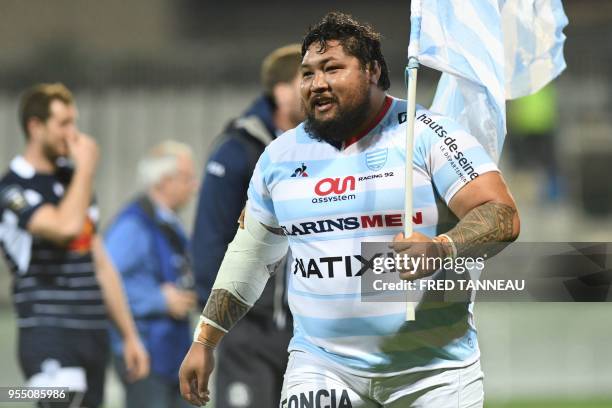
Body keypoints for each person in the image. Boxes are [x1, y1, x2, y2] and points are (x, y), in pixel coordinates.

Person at [180, 12, 520, 408]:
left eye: (332, 68)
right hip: (322, 366)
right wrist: (205, 340)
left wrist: (442, 247)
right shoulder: (279, 156)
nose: (317, 83)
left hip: (434, 375)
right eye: (307, 74)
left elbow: (501, 214)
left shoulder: (426, 133)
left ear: (372, 71)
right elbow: (250, 257)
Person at [0, 83, 149, 408]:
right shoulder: (11, 188)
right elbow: (64, 228)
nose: (73, 133)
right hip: (47, 333)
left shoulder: (73, 182)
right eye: (63, 123)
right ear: (35, 127)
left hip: (93, 334)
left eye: (74, 123)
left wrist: (129, 335)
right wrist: (85, 169)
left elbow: (99, 262)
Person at [190, 44, 304, 408]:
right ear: (283, 91)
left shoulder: (320, 149)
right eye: (309, 78)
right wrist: (216, 324)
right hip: (248, 329)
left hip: (306, 331)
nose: (320, 87)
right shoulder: (238, 150)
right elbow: (210, 238)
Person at [105, 140, 198, 408]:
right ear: (165, 181)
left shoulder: (169, 223)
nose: (194, 186)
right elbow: (105, 282)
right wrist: (159, 300)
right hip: (145, 355)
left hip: (171, 354)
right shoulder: (133, 225)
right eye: (187, 178)